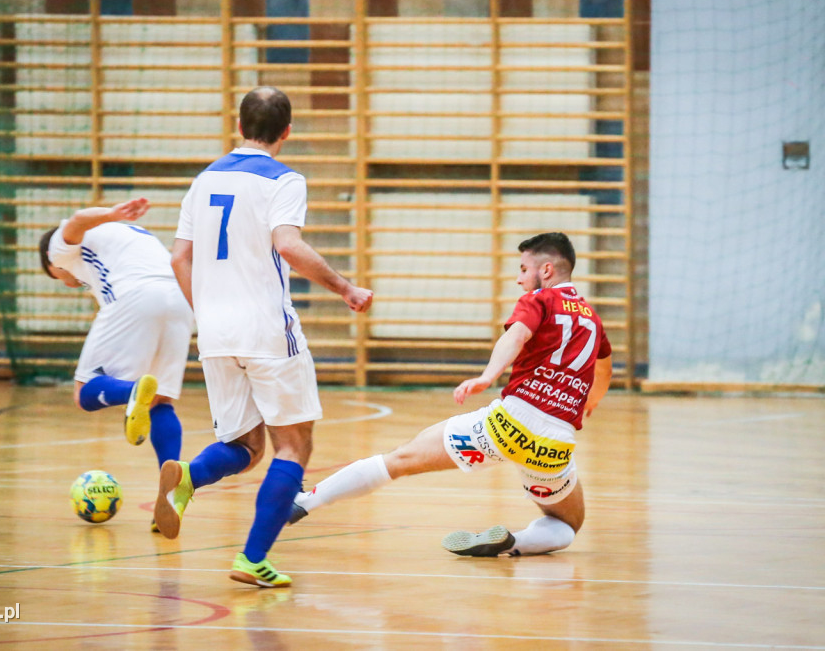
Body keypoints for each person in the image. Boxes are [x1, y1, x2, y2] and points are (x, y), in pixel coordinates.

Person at [156, 86, 373, 588]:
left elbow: (178, 258)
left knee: (245, 445)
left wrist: (206, 311)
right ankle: (253, 558)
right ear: (287, 132)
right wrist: (344, 287)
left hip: (214, 333)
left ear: (239, 126)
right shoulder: (284, 179)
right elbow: (288, 245)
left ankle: (188, 476)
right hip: (266, 329)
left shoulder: (204, 179)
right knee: (293, 446)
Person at [288, 232, 612, 558]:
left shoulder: (540, 301)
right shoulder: (593, 320)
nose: (518, 279)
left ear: (545, 271)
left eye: (523, 269)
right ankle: (513, 542)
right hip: (555, 443)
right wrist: (590, 403)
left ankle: (303, 502)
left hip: (507, 426)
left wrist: (488, 376)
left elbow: (516, 336)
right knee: (567, 524)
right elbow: (603, 371)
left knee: (399, 460)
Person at [39, 197, 195, 509]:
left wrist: (110, 213)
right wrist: (114, 217)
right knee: (161, 401)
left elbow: (79, 218)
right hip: (181, 300)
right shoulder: (131, 236)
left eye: (56, 275)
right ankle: (171, 494)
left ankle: (132, 390)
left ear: (50, 262)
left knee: (85, 393)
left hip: (135, 296)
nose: (69, 284)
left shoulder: (60, 248)